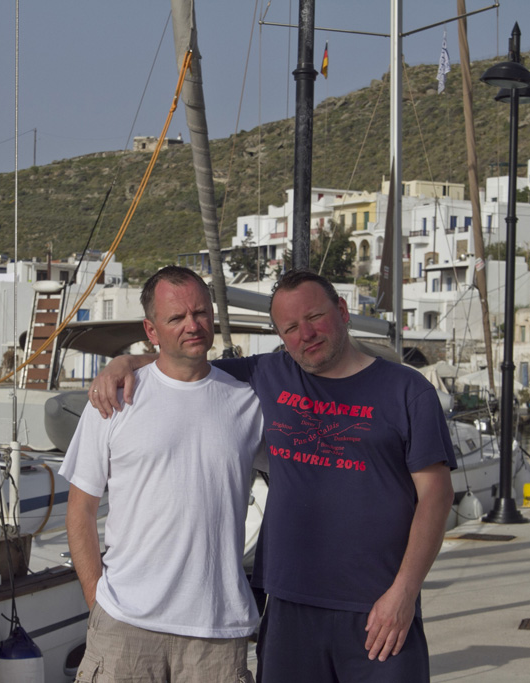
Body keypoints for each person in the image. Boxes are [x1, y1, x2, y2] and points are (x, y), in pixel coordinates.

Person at [91, 269, 456, 682]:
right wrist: (125, 362)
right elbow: (185, 362)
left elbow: (437, 496)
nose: (306, 334)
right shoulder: (267, 374)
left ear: (342, 310)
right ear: (280, 336)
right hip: (287, 610)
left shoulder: (407, 390)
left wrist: (404, 593)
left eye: (315, 317)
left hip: (379, 611)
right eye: (290, 328)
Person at [60, 265, 262, 683]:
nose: (193, 325)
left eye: (201, 313)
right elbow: (80, 511)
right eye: (177, 317)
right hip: (124, 627)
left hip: (217, 632)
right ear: (151, 330)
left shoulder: (248, 403)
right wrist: (98, 603)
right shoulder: (114, 400)